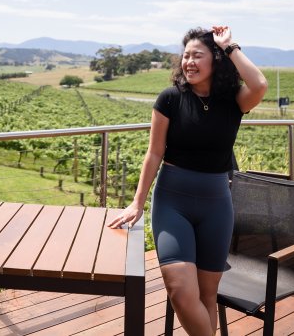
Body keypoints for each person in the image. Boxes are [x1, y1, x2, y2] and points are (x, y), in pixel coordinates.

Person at [108, 25, 268, 336]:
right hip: (173, 202)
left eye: (197, 55)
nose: (189, 62)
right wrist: (137, 202)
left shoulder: (234, 101)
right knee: (181, 291)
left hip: (217, 206)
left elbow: (259, 83)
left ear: (216, 60)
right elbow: (154, 154)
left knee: (208, 295)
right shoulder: (170, 99)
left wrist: (230, 46)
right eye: (185, 56)